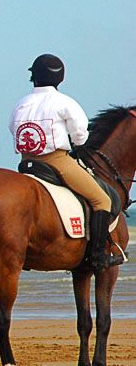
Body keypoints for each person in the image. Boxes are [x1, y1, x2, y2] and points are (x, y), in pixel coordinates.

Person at [9, 53, 119, 271]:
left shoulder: (20, 104)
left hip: (26, 163)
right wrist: (76, 143)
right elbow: (80, 135)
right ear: (60, 78)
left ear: (34, 77)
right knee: (102, 200)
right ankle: (98, 258)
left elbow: (13, 129)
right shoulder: (64, 102)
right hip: (56, 161)